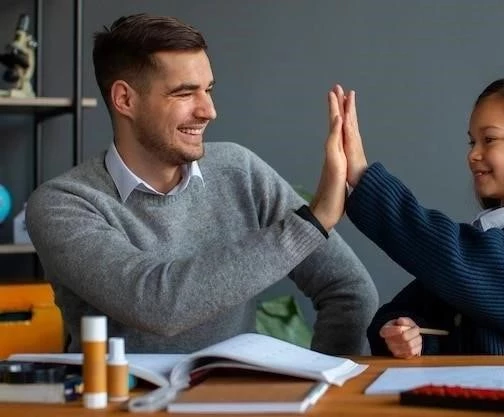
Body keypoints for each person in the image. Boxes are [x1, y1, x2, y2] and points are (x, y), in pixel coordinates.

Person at [25, 14, 378, 355]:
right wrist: (311, 225)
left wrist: (328, 382)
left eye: (207, 89)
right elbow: (156, 305)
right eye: (184, 93)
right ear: (125, 100)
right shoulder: (62, 204)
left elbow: (350, 289)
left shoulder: (240, 170)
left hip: (235, 403)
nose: (208, 110)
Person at [318, 77, 504, 356]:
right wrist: (406, 333)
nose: (473, 154)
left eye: (489, 139)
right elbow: (411, 308)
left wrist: (363, 177)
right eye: (472, 142)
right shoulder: (489, 242)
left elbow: (453, 257)